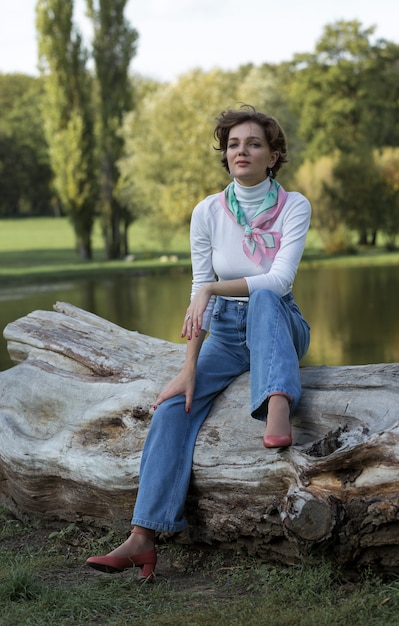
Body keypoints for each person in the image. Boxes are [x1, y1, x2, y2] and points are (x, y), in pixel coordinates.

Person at [86, 104, 311, 580]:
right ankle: (143, 538)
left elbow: (280, 279)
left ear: (273, 156)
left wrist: (211, 289)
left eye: (253, 143)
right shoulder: (207, 211)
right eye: (233, 144)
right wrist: (188, 367)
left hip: (279, 327)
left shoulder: (295, 206)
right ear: (225, 155)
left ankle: (277, 400)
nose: (241, 151)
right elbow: (199, 290)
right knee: (172, 407)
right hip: (227, 332)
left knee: (268, 295)